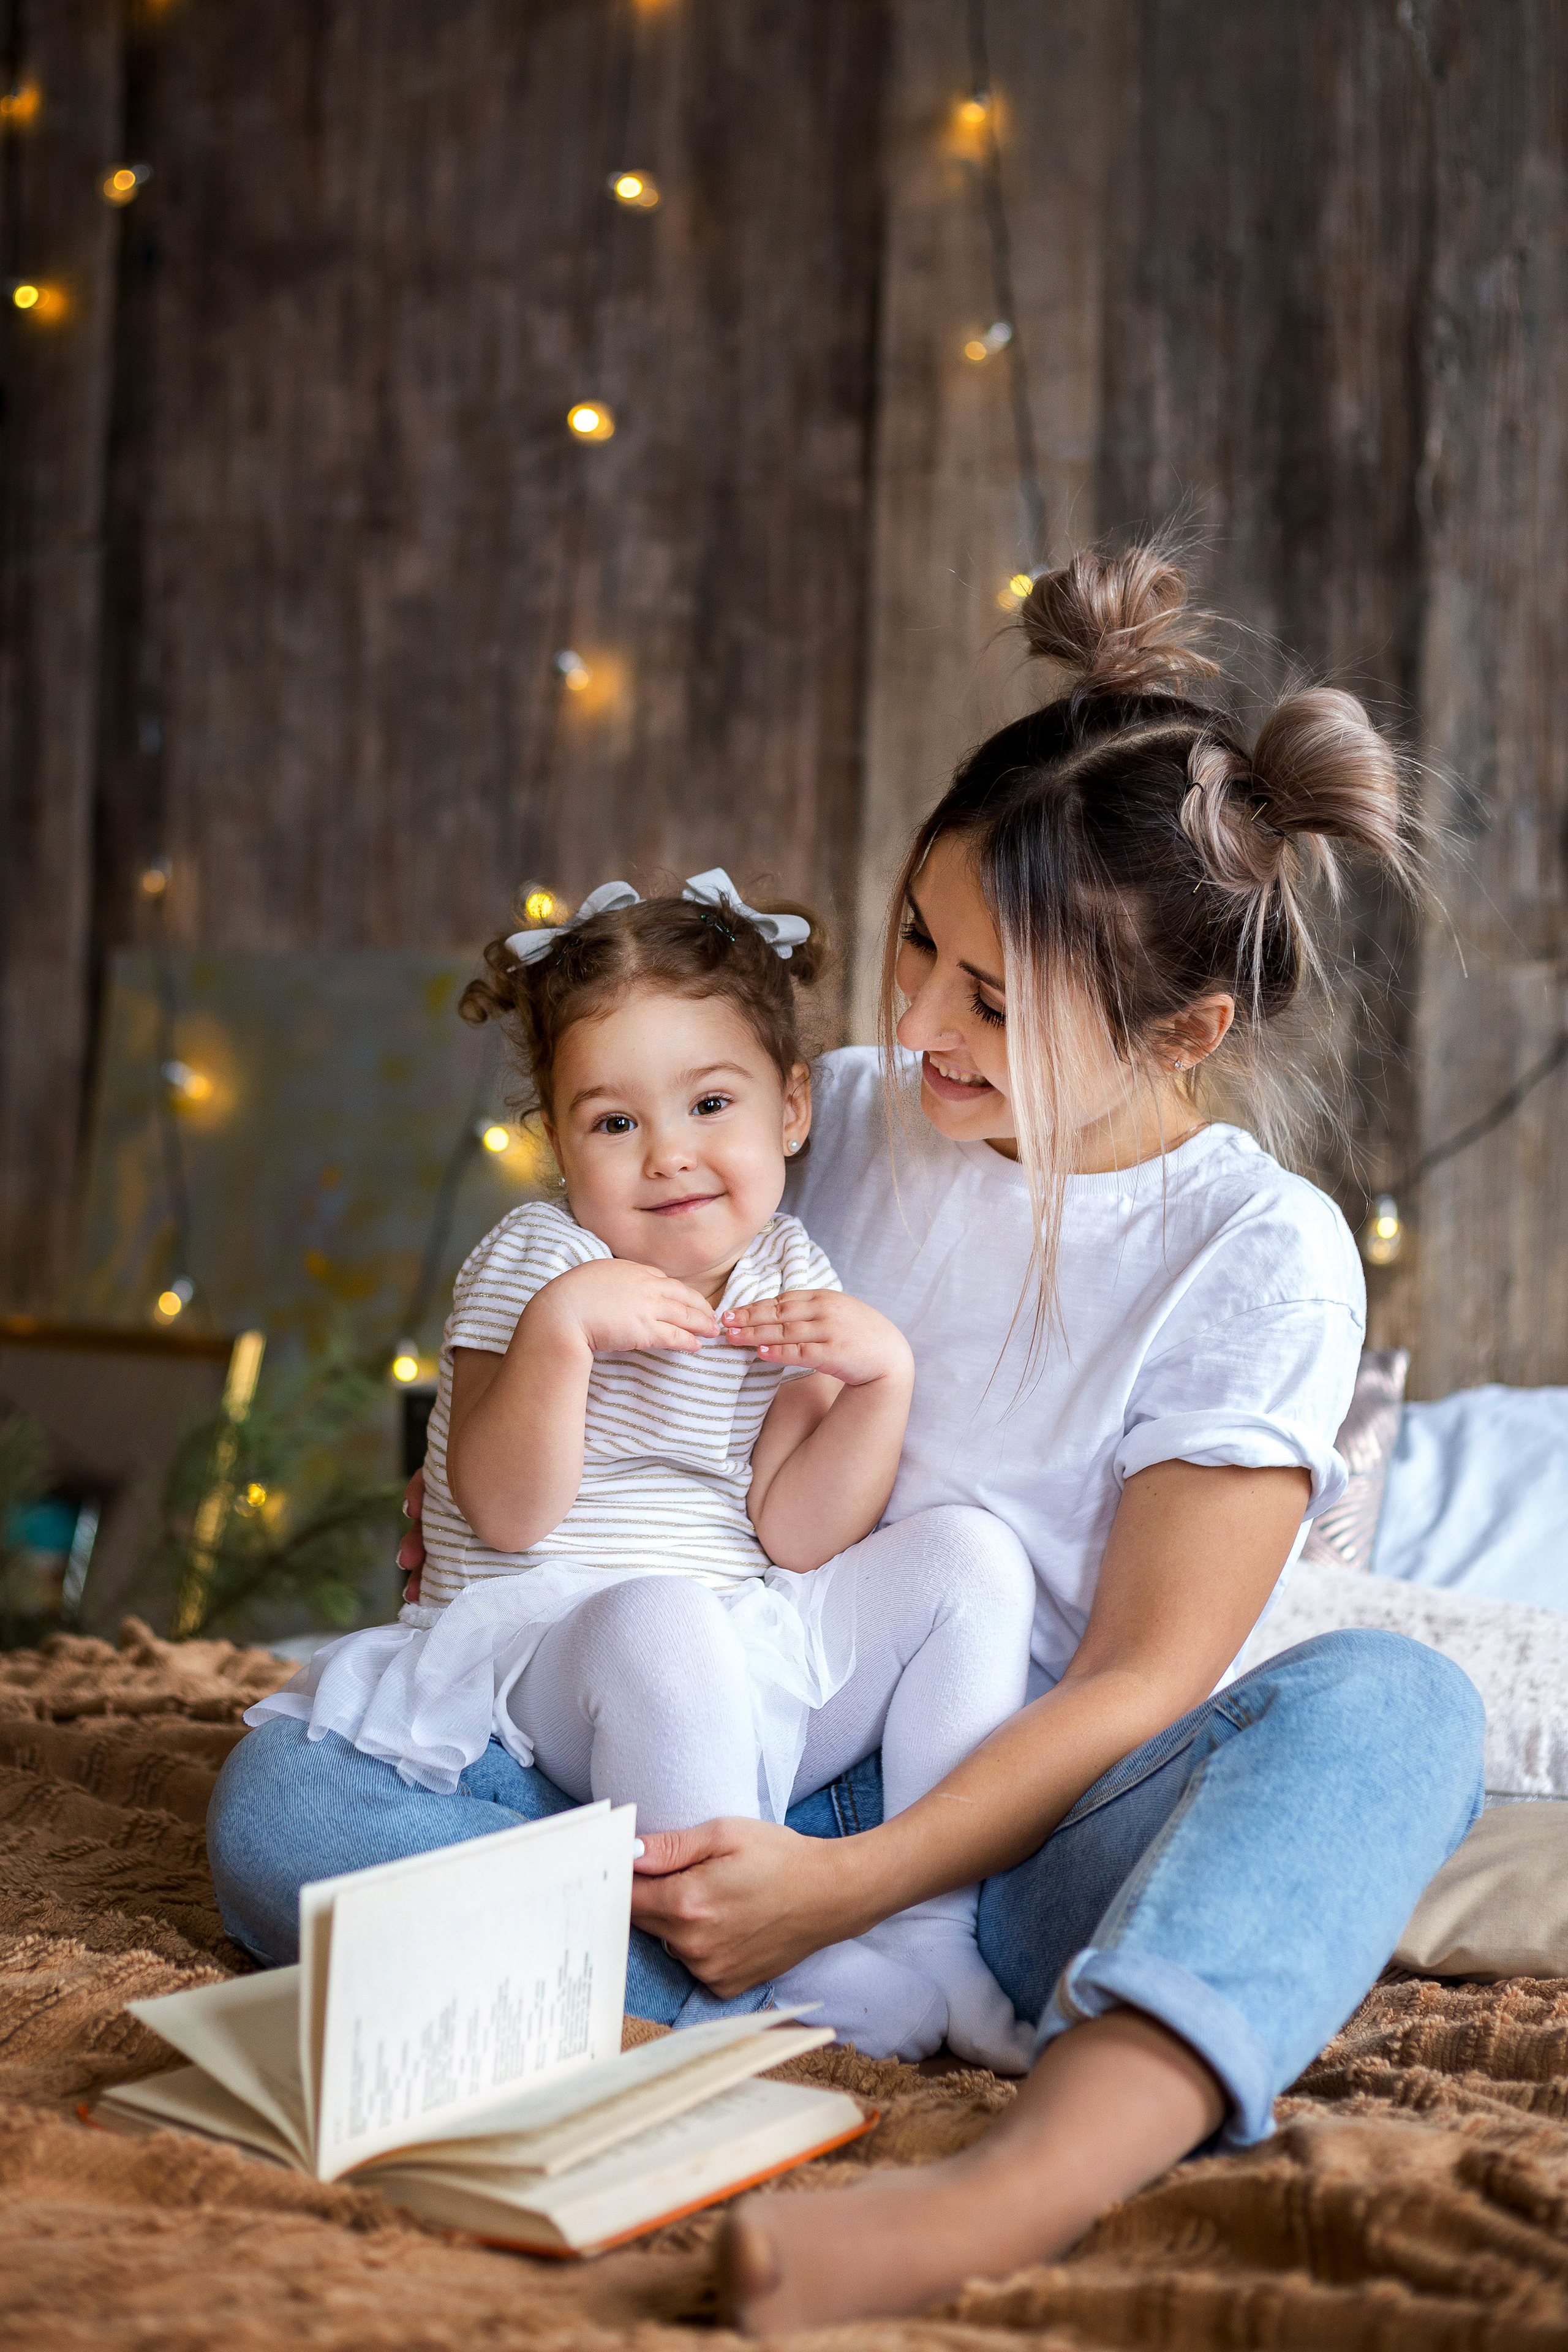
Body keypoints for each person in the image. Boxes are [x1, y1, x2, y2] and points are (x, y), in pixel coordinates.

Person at [212, 544, 1484, 2329]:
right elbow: (598, 1342)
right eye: (916, 940)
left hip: (1009, 1830)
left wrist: (858, 1879)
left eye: (994, 1002)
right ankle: (765, 2012)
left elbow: (1135, 1681)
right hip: (714, 1719)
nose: (917, 1025)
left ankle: (1006, 2179)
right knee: (285, 1795)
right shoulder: (844, 1113)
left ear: (1186, 1031)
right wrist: (511, 1519)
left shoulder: (1259, 1254)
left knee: (1396, 1713)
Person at [236, 868, 1039, 2073]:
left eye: (710, 1103)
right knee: (639, 1634)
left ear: (791, 1111)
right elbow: (503, 1512)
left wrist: (880, 1386)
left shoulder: (784, 1269)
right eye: (614, 1123)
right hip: (542, 1661)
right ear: (559, 1142)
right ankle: (743, 1982)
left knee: (971, 1558)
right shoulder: (536, 1260)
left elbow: (796, 1533)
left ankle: (927, 1937)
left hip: (736, 1655)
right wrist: (561, 1335)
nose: (667, 1155)